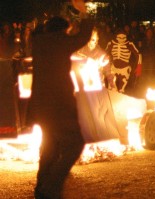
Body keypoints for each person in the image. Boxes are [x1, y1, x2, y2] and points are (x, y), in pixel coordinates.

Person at [28, 0, 94, 198]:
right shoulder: (60, 42)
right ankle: (50, 188)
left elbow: (55, 31)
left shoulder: (38, 42)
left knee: (50, 146)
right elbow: (83, 36)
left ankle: (41, 190)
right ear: (61, 31)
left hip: (40, 107)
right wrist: (83, 12)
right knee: (75, 144)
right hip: (59, 106)